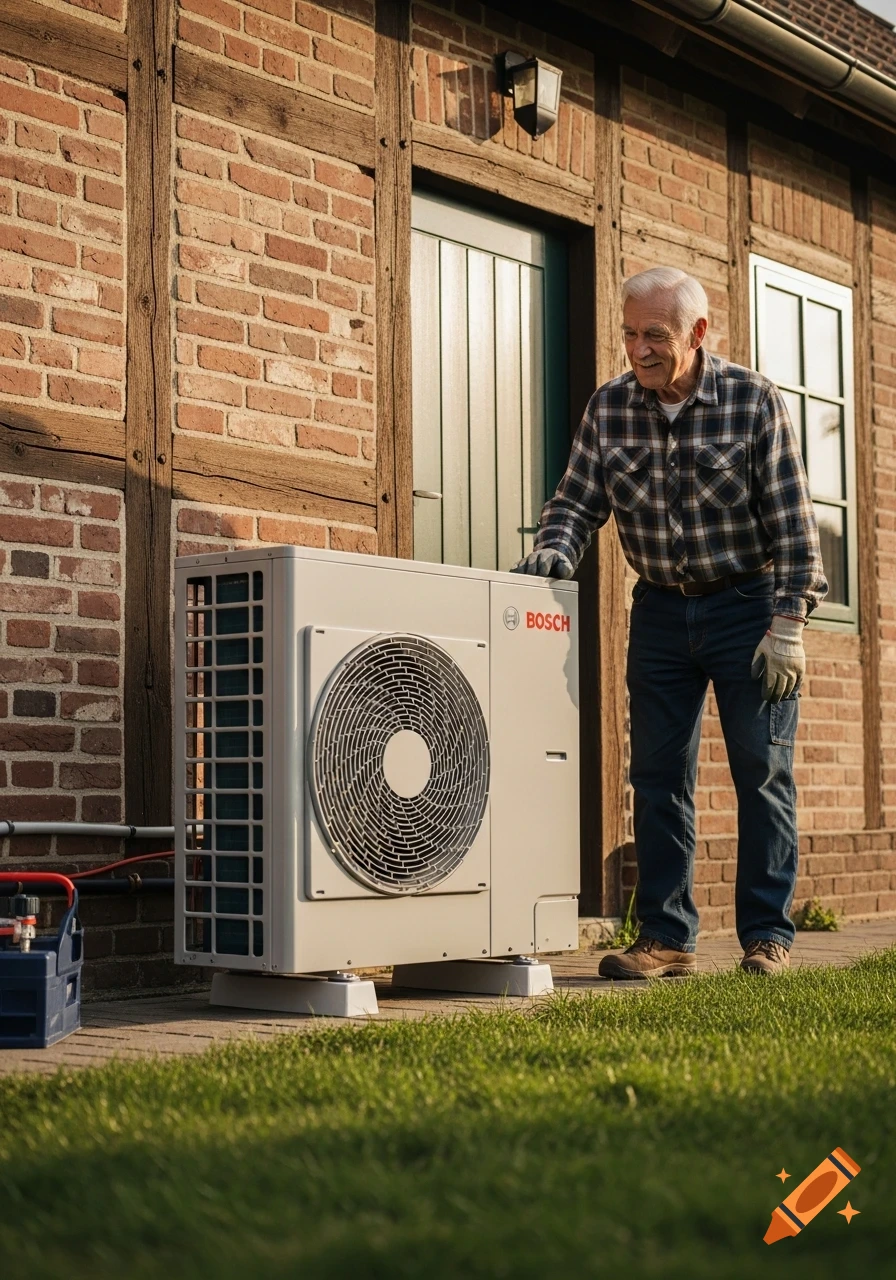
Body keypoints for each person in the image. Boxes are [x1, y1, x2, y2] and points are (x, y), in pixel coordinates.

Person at [512, 265, 827, 977]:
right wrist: (554, 552)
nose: (639, 349)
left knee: (763, 771)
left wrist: (788, 626)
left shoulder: (751, 402)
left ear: (698, 333)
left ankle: (766, 937)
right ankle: (667, 936)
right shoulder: (611, 407)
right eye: (629, 333)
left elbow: (793, 529)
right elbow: (575, 502)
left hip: (748, 608)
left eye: (655, 334)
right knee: (657, 778)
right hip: (658, 610)